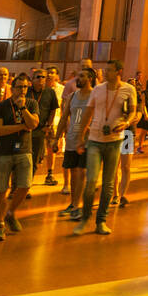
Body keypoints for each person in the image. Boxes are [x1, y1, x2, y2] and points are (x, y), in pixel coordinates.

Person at [72, 60, 137, 236]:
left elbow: (132, 111)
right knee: (91, 180)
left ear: (119, 72)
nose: (106, 73)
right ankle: (85, 218)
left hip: (115, 140)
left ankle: (101, 220)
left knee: (108, 183)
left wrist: (127, 122)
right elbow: (88, 113)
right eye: (105, 70)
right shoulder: (98, 90)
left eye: (109, 70)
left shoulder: (129, 90)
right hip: (94, 139)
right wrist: (80, 137)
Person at [0, 73, 39, 241]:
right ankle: (0, 224)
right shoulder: (1, 106)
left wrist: (23, 109)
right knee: (1, 189)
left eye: (26, 87)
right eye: (20, 87)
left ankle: (10, 212)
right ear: (13, 88)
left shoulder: (31, 104)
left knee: (25, 186)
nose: (23, 90)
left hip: (24, 150)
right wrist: (20, 127)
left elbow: (33, 124)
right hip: (3, 152)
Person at [57, 74, 93, 221]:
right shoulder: (72, 96)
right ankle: (73, 204)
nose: (78, 79)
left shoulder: (94, 95)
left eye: (82, 76)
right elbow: (64, 117)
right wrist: (56, 137)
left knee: (81, 172)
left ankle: (78, 206)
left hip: (86, 140)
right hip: (71, 139)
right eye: (78, 75)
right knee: (73, 171)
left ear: (90, 77)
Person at [26, 69, 58, 188]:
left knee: (34, 159)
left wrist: (48, 126)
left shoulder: (50, 92)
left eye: (43, 77)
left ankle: (27, 184)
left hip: (40, 130)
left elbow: (53, 110)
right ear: (32, 79)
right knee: (21, 157)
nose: (41, 79)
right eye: (38, 77)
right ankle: (17, 184)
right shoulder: (27, 91)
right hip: (25, 129)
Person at [43, 66, 65, 187]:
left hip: (55, 124)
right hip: (41, 123)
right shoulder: (41, 88)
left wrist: (62, 128)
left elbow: (63, 108)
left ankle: (49, 173)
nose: (50, 75)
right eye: (48, 72)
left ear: (57, 76)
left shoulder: (62, 89)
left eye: (52, 73)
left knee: (52, 149)